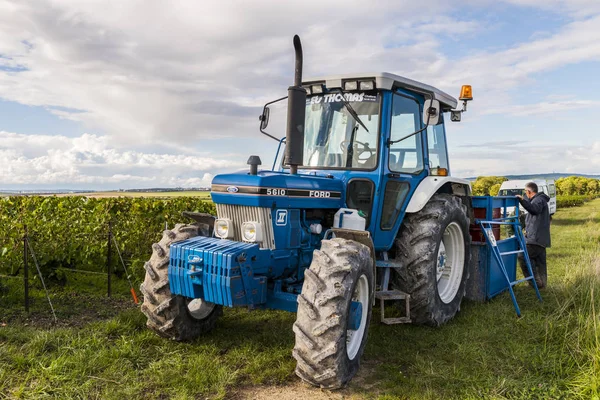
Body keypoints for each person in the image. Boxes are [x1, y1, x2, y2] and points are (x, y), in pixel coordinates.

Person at [516, 182, 551, 288]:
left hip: (535, 238)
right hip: (541, 238)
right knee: (540, 262)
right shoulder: (539, 200)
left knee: (522, 256)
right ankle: (543, 285)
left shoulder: (539, 200)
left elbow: (534, 210)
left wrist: (522, 200)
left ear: (528, 191)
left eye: (525, 192)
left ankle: (534, 283)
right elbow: (532, 210)